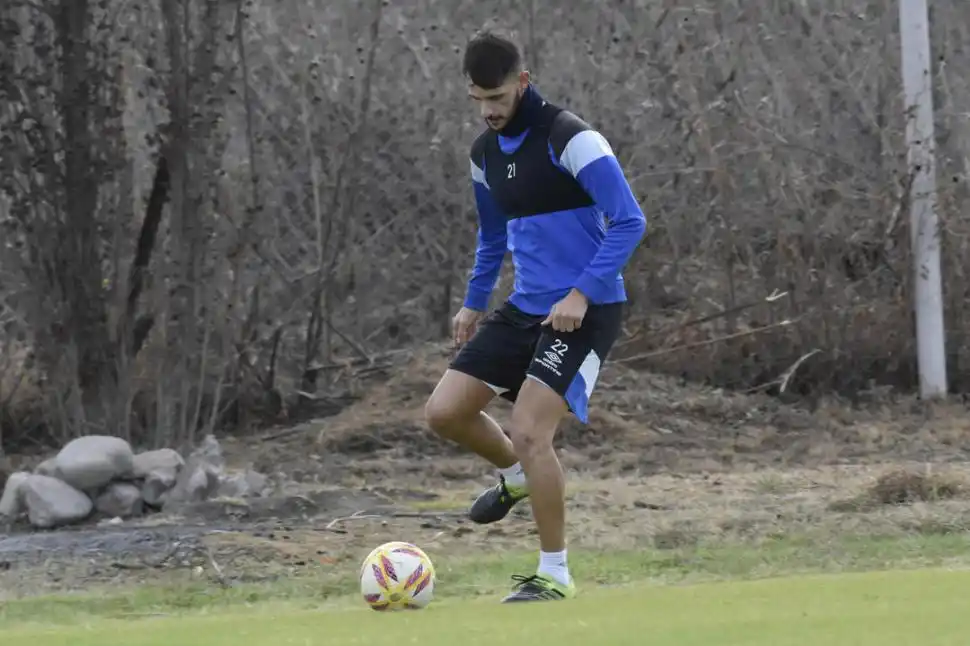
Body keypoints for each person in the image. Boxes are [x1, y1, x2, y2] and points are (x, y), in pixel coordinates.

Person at [423, 30, 646, 603]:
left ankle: (554, 573)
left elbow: (630, 221)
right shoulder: (484, 155)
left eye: (497, 97)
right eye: (478, 99)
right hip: (525, 308)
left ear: (522, 82)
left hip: (585, 311)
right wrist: (474, 301)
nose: (488, 110)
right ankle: (517, 476)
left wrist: (581, 293)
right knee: (444, 412)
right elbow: (492, 235)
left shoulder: (572, 138)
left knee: (529, 431)